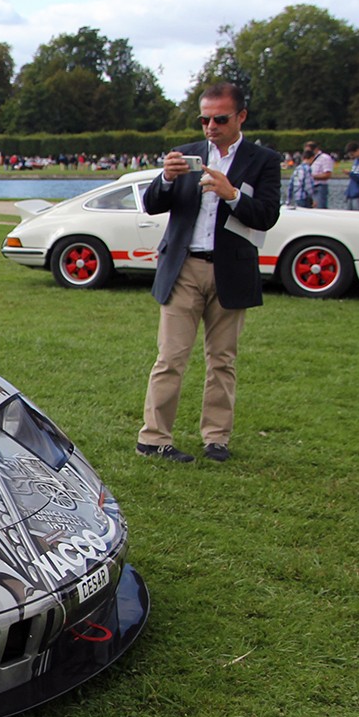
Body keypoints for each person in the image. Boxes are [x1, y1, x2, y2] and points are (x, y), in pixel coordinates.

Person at [136, 82, 281, 463]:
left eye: (220, 118)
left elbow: (267, 215)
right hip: (183, 268)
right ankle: (153, 439)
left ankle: (216, 438)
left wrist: (232, 194)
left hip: (231, 270)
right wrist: (165, 178)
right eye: (204, 118)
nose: (210, 126)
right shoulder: (187, 154)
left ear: (240, 117)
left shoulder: (263, 160)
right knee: (171, 358)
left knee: (222, 360)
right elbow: (151, 205)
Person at [306, 140, 334, 209]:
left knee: (320, 208)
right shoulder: (309, 158)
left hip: (319, 187)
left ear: (315, 149)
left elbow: (327, 175)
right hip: (310, 187)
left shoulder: (324, 158)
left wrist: (311, 177)